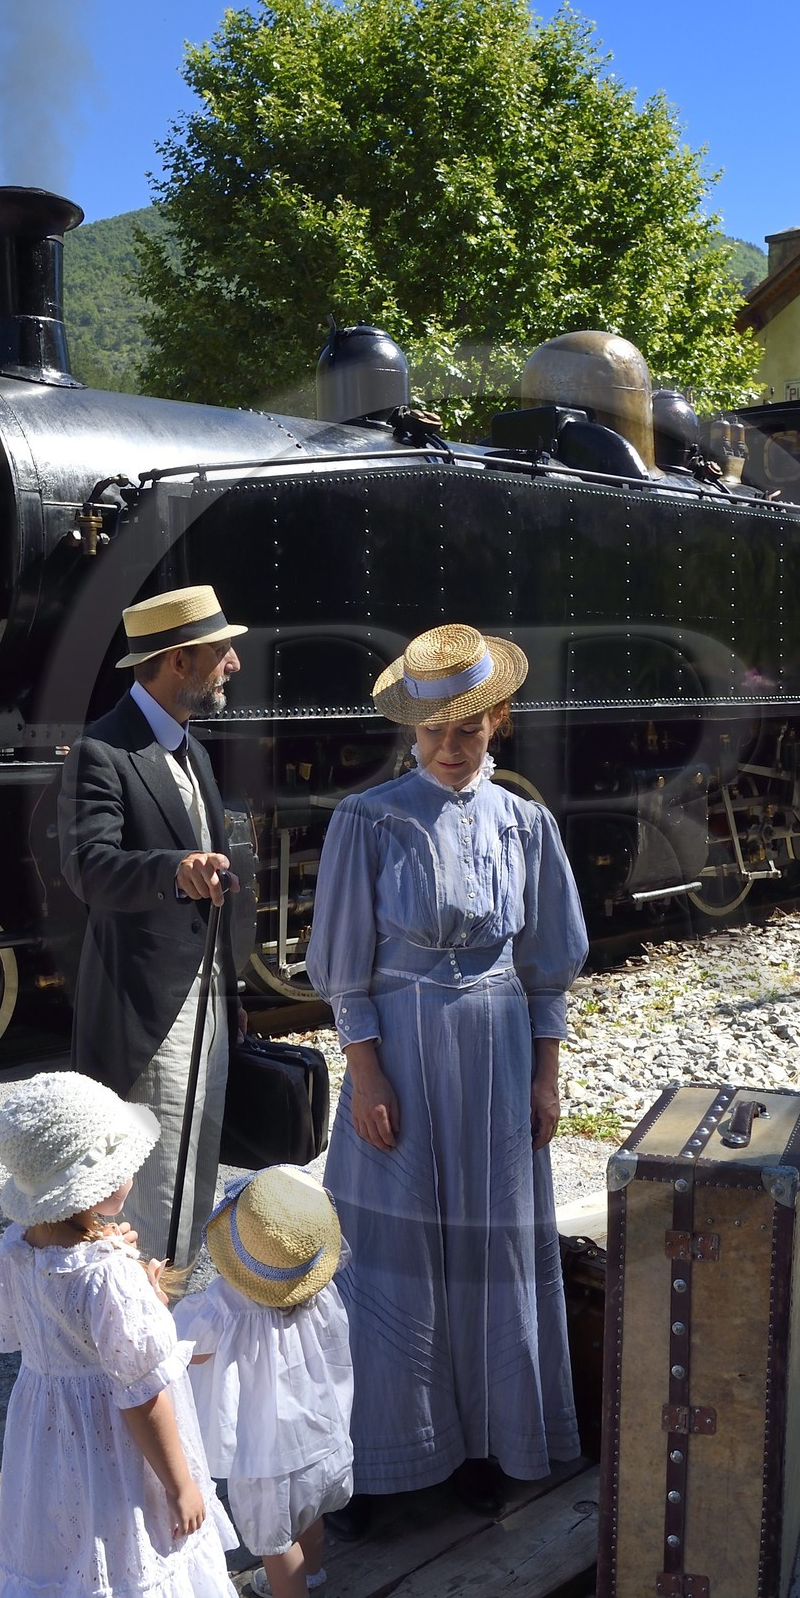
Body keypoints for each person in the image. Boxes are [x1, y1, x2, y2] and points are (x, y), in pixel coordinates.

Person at [306, 622, 589, 1522]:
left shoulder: (527, 822)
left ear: (498, 721)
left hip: (501, 1055)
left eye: (468, 729)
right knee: (393, 1248)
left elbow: (548, 963)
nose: (451, 747)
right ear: (412, 731)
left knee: (494, 1240)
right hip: (402, 1050)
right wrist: (367, 1071)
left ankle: (492, 1443)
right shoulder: (368, 819)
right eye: (433, 732)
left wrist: (546, 1075)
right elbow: (342, 963)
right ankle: (396, 1466)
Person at [0, 1071, 246, 1598]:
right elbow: (141, 1391)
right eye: (121, 1166)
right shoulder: (105, 1273)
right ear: (91, 1186)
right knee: (115, 1578)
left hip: (47, 1448)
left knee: (63, 1573)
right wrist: (181, 1479)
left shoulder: (19, 1247)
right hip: (115, 1458)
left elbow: (24, 1337)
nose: (131, 1175)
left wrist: (133, 1279)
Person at [59, 584, 248, 1264]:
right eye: (221, 650)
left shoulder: (190, 749)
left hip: (206, 1003)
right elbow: (89, 867)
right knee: (157, 1185)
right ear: (177, 661)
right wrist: (174, 867)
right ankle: (145, 1345)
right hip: (146, 1010)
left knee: (197, 1172)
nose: (233, 663)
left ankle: (174, 1331)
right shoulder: (102, 751)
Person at [174, 1166, 354, 1598]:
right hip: (316, 1434)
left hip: (266, 1449)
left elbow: (184, 1346)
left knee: (275, 1538)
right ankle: (309, 1577)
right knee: (309, 1512)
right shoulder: (320, 1292)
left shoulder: (224, 1306)